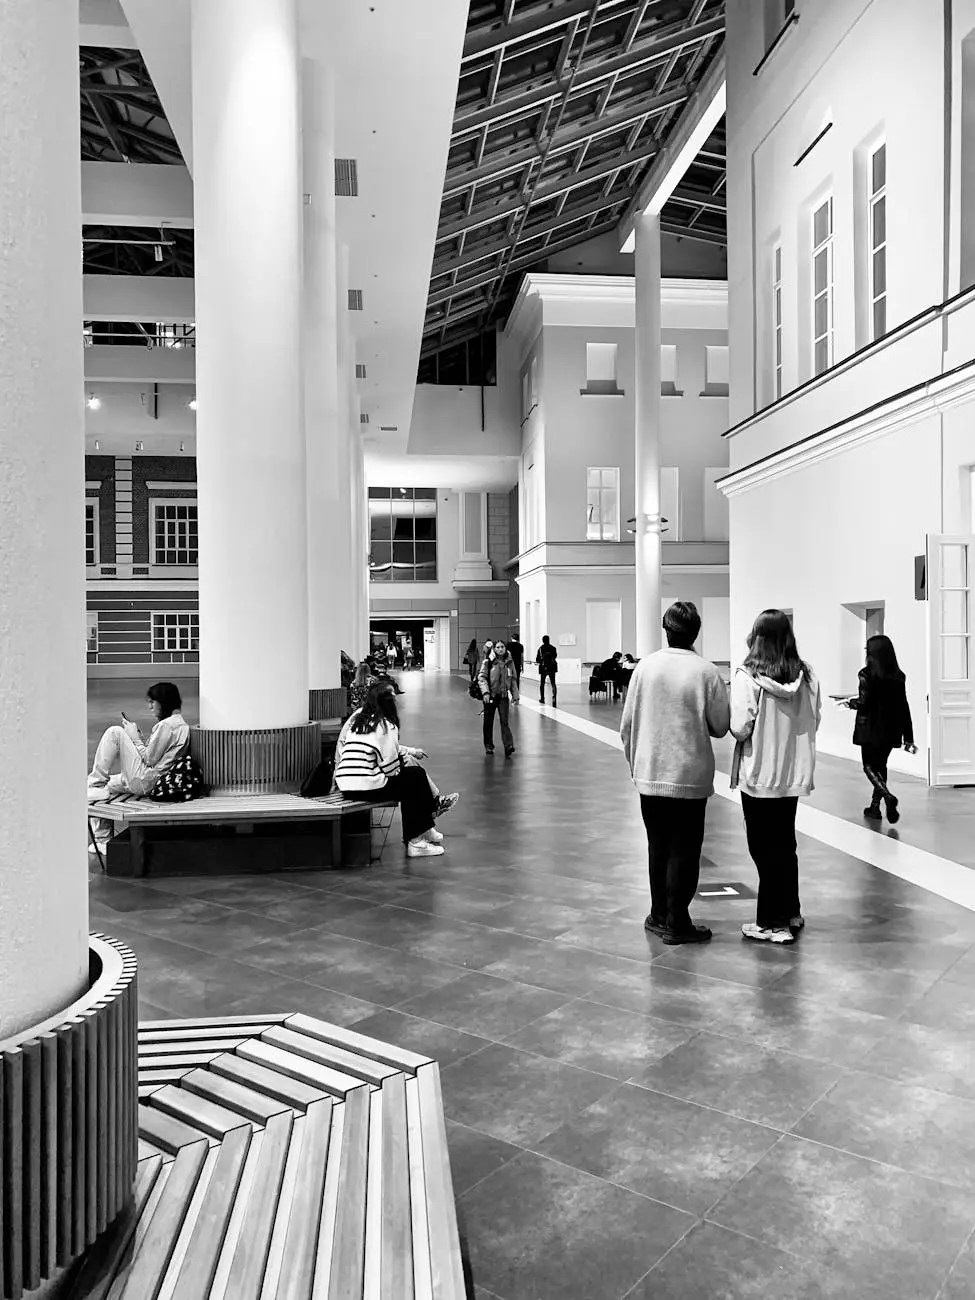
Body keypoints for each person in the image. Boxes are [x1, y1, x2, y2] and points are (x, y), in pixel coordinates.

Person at [621, 602, 730, 945]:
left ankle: (658, 914)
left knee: (658, 846)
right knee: (685, 849)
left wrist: (637, 764)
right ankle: (677, 921)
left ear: (664, 630)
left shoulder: (645, 668)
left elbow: (627, 726)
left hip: (651, 772)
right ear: (696, 632)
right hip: (690, 776)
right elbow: (720, 726)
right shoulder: (707, 672)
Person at [730, 609, 822, 945]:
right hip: (793, 772)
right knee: (785, 844)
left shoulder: (748, 677)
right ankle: (791, 911)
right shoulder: (807, 676)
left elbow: (740, 727)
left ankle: (772, 923)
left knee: (763, 848)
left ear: (757, 638)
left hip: (760, 775)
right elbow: (816, 718)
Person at [334, 681, 458, 857]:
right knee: (413, 780)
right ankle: (416, 841)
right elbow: (391, 770)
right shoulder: (386, 725)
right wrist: (401, 763)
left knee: (413, 776)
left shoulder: (359, 723)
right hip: (366, 786)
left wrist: (407, 755)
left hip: (347, 786)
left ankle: (425, 829)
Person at [87, 682, 190, 851]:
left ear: (163, 701)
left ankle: (97, 783)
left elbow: (149, 759)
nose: (150, 707)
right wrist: (140, 739)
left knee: (115, 732)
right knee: (98, 788)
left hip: (146, 780)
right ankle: (103, 841)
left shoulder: (168, 725)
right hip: (152, 780)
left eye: (152, 702)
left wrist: (134, 737)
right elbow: (156, 756)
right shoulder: (179, 724)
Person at [845, 634, 917, 822]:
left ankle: (887, 796)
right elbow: (904, 706)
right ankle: (875, 807)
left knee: (868, 766)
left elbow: (864, 702)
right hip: (891, 729)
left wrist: (850, 703)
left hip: (869, 728)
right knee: (881, 765)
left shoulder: (866, 674)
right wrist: (909, 737)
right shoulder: (898, 676)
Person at [479, 639, 519, 756]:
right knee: (488, 722)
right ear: (494, 649)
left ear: (505, 648)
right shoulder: (489, 660)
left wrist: (515, 695)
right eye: (498, 647)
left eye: (502, 647)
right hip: (490, 696)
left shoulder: (509, 662)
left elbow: (512, 680)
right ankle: (489, 746)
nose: (500, 649)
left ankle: (508, 745)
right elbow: (482, 677)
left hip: (503, 697)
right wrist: (485, 693)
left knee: (504, 722)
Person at [536, 634, 558, 705]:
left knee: (542, 684)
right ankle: (554, 697)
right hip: (552, 667)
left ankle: (542, 698)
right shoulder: (553, 648)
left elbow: (537, 659)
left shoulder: (540, 649)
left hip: (543, 668)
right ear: (549, 640)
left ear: (542, 641)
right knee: (553, 683)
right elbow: (555, 656)